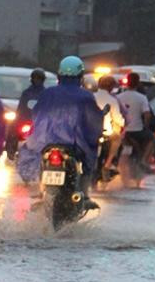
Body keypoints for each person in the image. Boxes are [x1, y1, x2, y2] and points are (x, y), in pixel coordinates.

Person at [16, 56, 104, 199]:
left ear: (59, 75)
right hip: (75, 145)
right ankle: (84, 194)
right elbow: (94, 124)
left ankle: (40, 191)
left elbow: (36, 115)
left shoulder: (47, 93)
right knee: (89, 161)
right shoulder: (86, 96)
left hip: (45, 143)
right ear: (81, 76)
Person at [116, 71, 154, 180]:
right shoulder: (142, 97)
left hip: (122, 132)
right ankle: (144, 159)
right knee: (152, 138)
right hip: (137, 131)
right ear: (138, 84)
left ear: (127, 83)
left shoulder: (119, 97)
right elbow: (147, 115)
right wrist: (145, 127)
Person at [93, 74, 125, 179]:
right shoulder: (112, 100)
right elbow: (117, 119)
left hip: (89, 131)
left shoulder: (91, 96)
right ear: (111, 87)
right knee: (117, 139)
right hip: (106, 132)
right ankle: (108, 164)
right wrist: (122, 123)